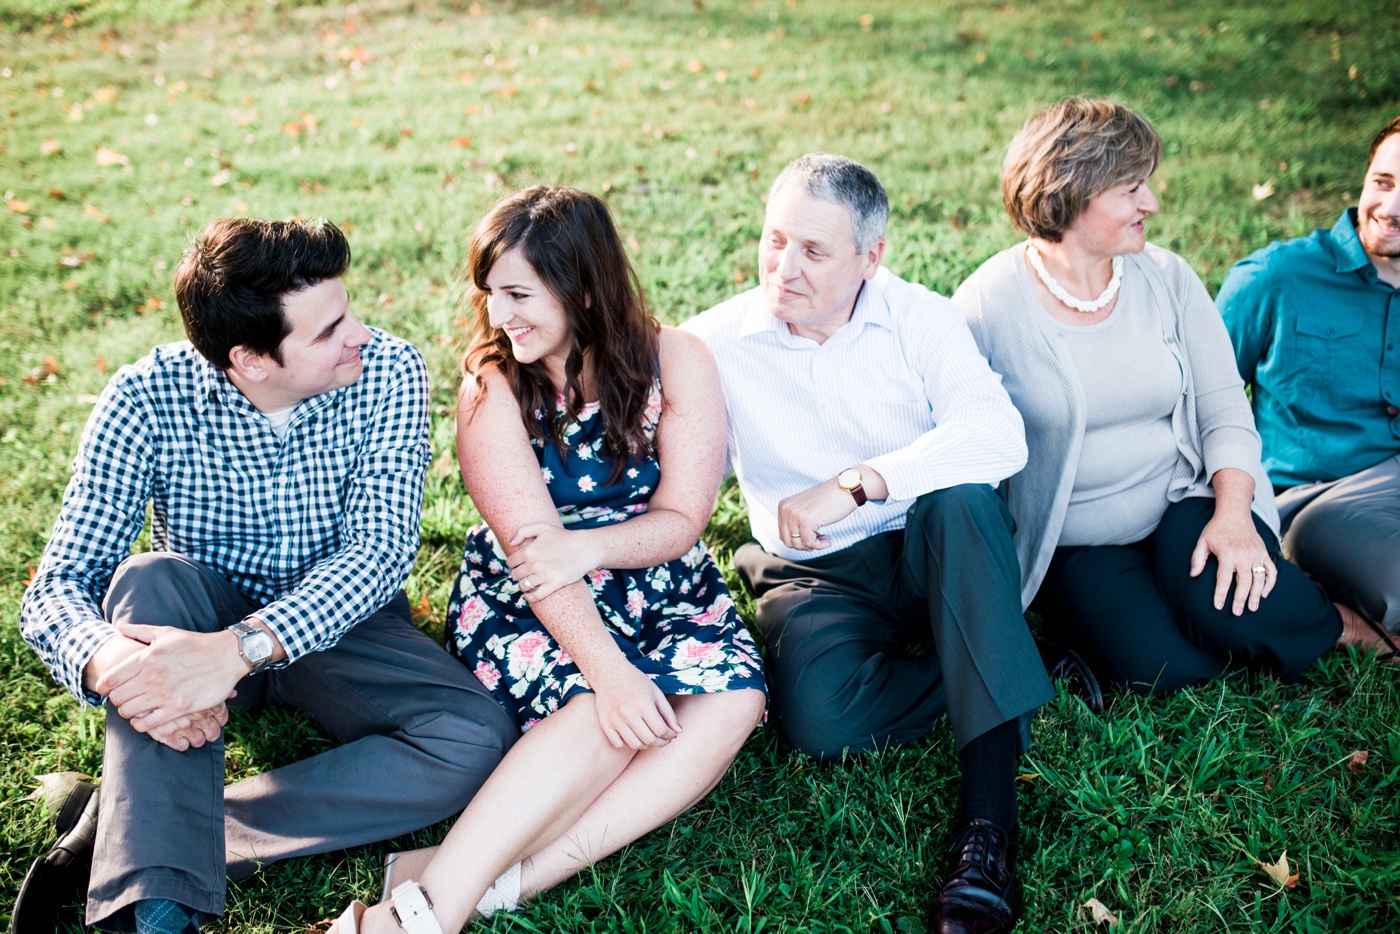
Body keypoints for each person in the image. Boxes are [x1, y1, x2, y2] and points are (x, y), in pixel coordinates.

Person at [14, 218, 517, 934]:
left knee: (474, 739)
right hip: (192, 622)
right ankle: (154, 915)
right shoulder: (143, 398)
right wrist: (114, 662)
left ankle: (145, 832)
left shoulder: (389, 372)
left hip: (340, 623)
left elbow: (377, 554)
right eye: (328, 331)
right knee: (148, 579)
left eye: (348, 310)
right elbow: (60, 583)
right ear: (250, 360)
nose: (361, 334)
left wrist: (242, 649)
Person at [329, 187, 766, 934]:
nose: (499, 316)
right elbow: (534, 556)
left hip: (656, 577)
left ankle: (508, 878)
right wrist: (610, 671)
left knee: (734, 700)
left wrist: (590, 545)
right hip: (530, 596)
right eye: (490, 294)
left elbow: (684, 521)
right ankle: (420, 917)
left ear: (584, 288)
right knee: (602, 714)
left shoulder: (678, 358)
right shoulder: (491, 383)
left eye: (519, 294)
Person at [683, 153, 1053, 934]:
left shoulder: (918, 316)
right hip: (816, 573)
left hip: (932, 549)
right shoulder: (711, 345)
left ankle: (987, 829)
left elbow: (997, 435)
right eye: (775, 239)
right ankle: (1014, 660)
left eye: (814, 251)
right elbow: (680, 479)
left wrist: (859, 482)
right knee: (821, 722)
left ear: (870, 258)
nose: (783, 268)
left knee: (959, 499)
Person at [951, 98, 1367, 701]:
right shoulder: (988, 305)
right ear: (1071, 194)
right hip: (1079, 539)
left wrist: (1233, 516)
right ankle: (1169, 612)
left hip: (1186, 496)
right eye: (1131, 189)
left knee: (1237, 606)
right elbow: (965, 450)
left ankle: (1347, 626)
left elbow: (1226, 404)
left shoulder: (1167, 277)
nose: (1151, 203)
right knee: (1161, 667)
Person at [1216, 114, 1400, 658]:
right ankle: (1345, 621)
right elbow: (1198, 401)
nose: (1389, 209)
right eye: (1382, 184)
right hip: (1318, 500)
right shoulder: (1276, 277)